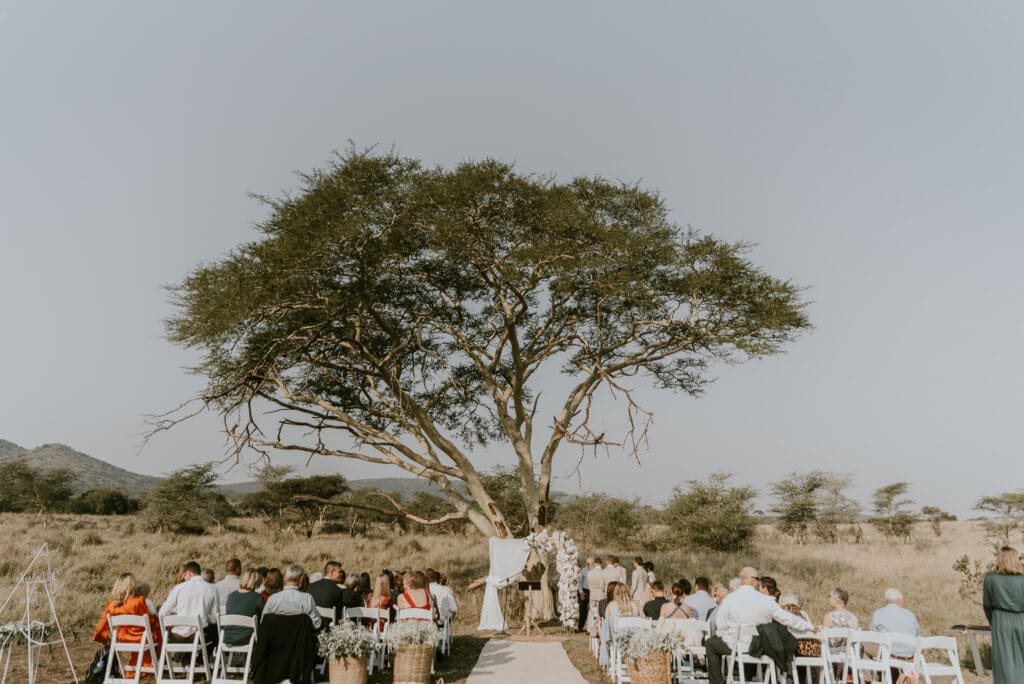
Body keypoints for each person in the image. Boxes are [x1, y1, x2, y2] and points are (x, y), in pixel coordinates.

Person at [704, 567, 814, 684]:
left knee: (710, 643)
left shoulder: (730, 599)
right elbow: (786, 618)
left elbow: (720, 625)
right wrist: (809, 626)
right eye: (758, 579)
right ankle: (748, 678)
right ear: (751, 579)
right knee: (752, 643)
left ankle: (717, 682)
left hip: (735, 646)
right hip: (758, 647)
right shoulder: (765, 600)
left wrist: (726, 636)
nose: (758, 582)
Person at [92, 573, 161, 676]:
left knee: (149, 635)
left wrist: (105, 640)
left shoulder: (110, 605)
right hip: (141, 638)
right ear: (132, 586)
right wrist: (157, 620)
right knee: (159, 633)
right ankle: (148, 666)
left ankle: (139, 668)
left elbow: (101, 627)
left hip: (122, 639)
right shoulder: (138, 601)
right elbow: (149, 622)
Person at [983, 546, 1024, 682]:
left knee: (1003, 662)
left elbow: (987, 605)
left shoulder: (990, 578)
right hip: (1022, 618)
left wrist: (992, 622)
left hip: (1001, 621)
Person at [159, 561, 219, 647]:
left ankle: (187, 659)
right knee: (215, 631)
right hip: (198, 638)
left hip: (177, 638)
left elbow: (162, 613)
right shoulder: (212, 589)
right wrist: (204, 616)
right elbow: (214, 619)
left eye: (184, 575)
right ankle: (200, 659)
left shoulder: (178, 588)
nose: (184, 578)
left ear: (189, 573)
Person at [263, 564, 321, 629]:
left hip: (276, 638)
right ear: (301, 579)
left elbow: (263, 621)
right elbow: (316, 624)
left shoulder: (272, 598)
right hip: (301, 638)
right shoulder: (307, 598)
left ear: (284, 578)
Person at [869, 587, 920, 660]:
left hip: (888, 657)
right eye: (903, 600)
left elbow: (873, 637)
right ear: (898, 600)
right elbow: (918, 636)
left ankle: (868, 670)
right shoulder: (910, 615)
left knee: (862, 645)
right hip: (910, 658)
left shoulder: (878, 613)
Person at [599, 582, 638, 667]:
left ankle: (606, 660)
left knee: (604, 630)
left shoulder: (611, 605)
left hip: (616, 639)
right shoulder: (634, 605)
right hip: (633, 640)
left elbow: (607, 625)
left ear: (615, 593)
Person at [223, 569, 264, 646]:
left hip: (228, 637)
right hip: (247, 639)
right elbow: (264, 619)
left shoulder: (231, 596)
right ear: (256, 582)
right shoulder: (257, 598)